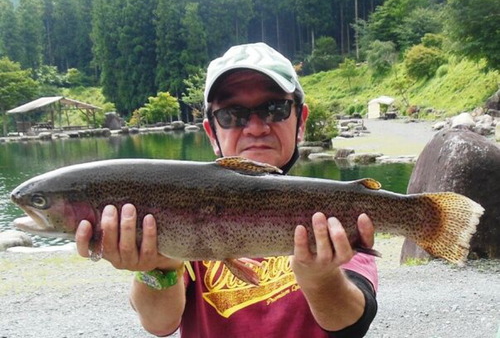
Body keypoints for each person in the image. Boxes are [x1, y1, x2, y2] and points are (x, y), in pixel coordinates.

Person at [75, 42, 378, 337]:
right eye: (232, 115)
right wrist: (157, 267)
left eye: (275, 109)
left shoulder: (330, 209)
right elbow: (159, 323)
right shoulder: (179, 207)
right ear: (211, 131)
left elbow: (351, 323)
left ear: (300, 121)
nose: (256, 127)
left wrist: (321, 279)